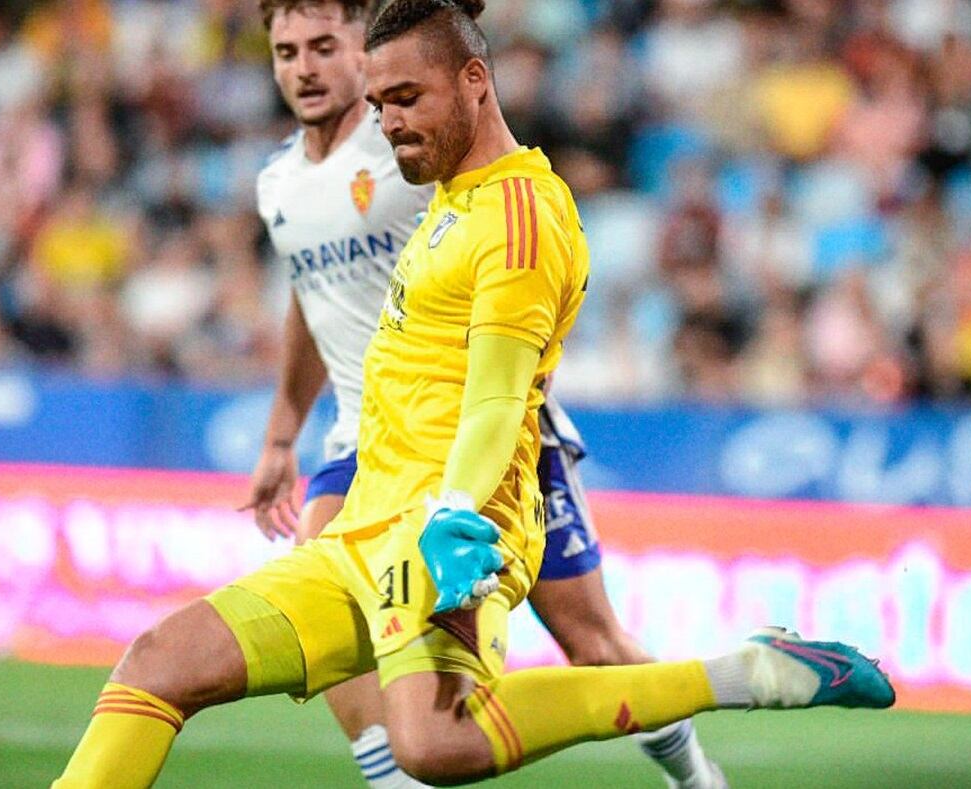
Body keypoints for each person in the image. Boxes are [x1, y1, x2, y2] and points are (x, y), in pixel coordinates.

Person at [52, 2, 894, 786]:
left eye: (406, 98)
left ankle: (738, 676)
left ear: (474, 81)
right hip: (363, 519)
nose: (387, 125)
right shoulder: (443, 197)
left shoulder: (521, 216)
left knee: (444, 737)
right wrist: (287, 435)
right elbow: (328, 314)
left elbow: (497, 397)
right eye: (378, 104)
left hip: (445, 518)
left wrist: (456, 512)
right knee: (157, 662)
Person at [243, 1, 722, 786]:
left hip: (482, 429)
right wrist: (278, 434)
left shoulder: (410, 137)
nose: (305, 67)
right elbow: (309, 296)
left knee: (594, 644)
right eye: (286, 51)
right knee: (322, 620)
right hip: (364, 441)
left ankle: (694, 774)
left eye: (325, 46)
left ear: (361, 50)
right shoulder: (278, 183)